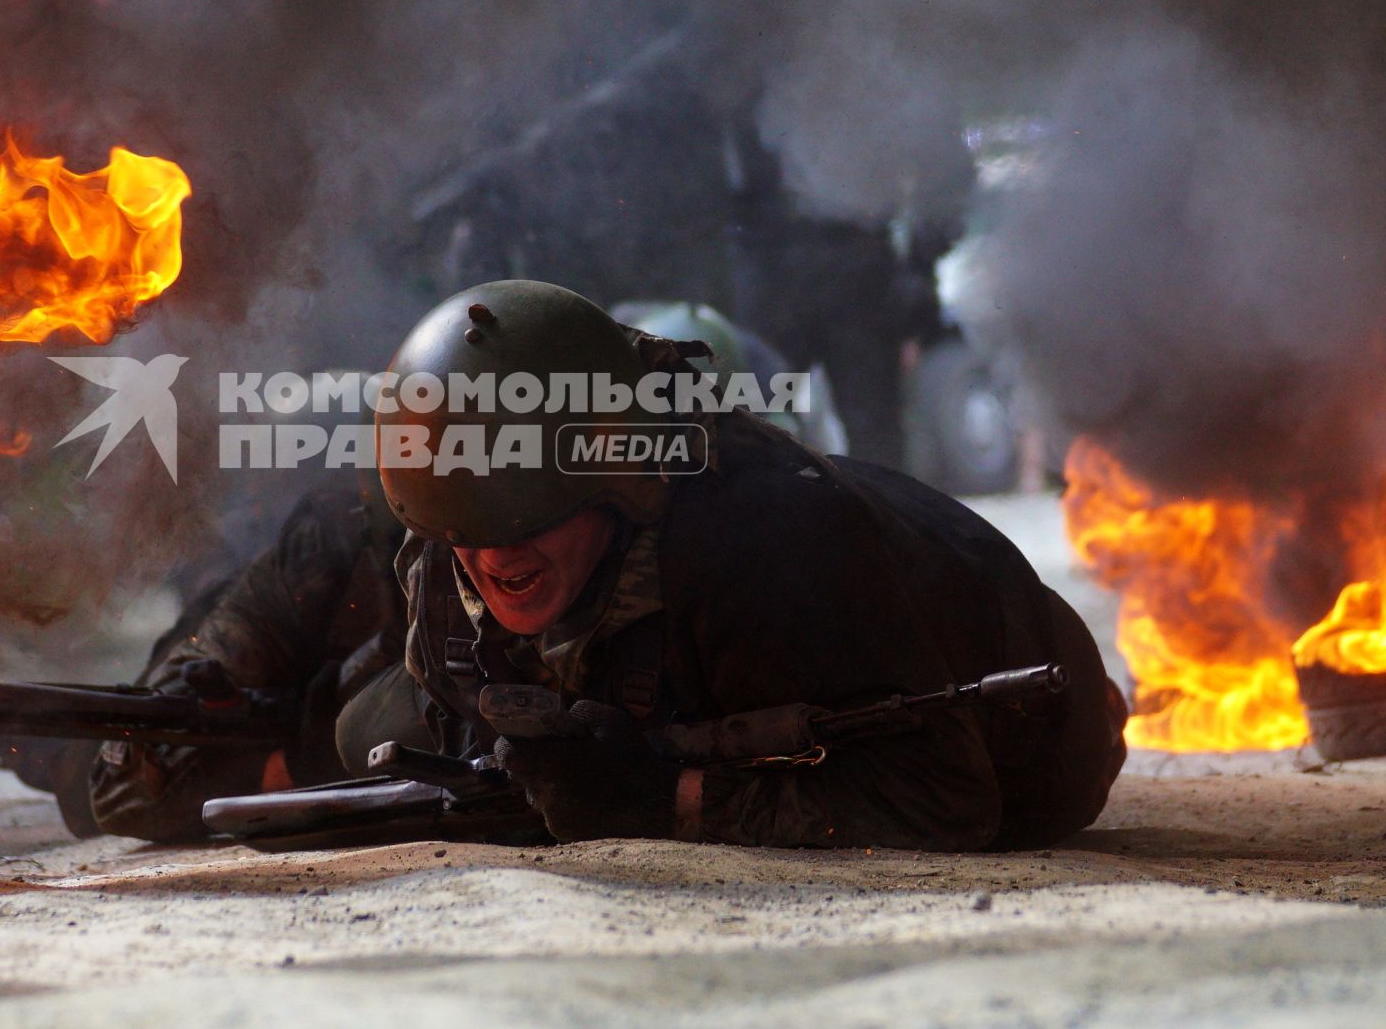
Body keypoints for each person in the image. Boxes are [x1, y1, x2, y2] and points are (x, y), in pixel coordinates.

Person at [336, 280, 1125, 849]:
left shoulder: (762, 550)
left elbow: (946, 800)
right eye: (467, 528)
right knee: (363, 732)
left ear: (617, 485)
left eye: (531, 517)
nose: (497, 554)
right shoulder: (447, 531)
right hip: (660, 690)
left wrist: (657, 802)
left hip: (1035, 738)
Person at [0, 471, 407, 841]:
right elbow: (127, 790)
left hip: (315, 672)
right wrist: (303, 766)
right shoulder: (329, 551)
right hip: (263, 658)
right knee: (107, 776)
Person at [699, 0, 975, 470]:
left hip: (858, 259)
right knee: (752, 442)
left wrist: (921, 261)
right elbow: (707, 115)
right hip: (764, 258)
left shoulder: (884, 6)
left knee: (879, 451)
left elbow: (939, 146)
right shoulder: (743, 6)